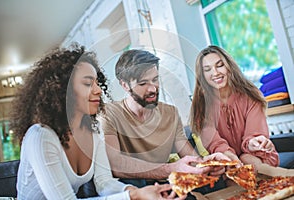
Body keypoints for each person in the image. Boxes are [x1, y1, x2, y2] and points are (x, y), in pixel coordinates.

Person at [10, 45, 181, 200]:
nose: (98, 90)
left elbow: (105, 183)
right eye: (87, 83)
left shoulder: (94, 130)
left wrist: (141, 192)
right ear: (61, 90)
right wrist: (134, 196)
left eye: (97, 83)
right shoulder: (40, 136)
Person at [99, 49, 230, 191]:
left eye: (155, 80)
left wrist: (206, 165)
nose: (153, 89)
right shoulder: (109, 113)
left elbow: (190, 157)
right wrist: (169, 168)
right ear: (125, 85)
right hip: (134, 188)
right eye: (143, 84)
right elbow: (115, 164)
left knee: (215, 183)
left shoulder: (170, 113)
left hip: (165, 183)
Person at [189, 45, 279, 170]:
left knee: (247, 160)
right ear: (202, 75)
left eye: (220, 65)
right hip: (226, 159)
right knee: (231, 170)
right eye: (207, 69)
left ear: (229, 67)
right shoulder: (201, 105)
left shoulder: (250, 95)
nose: (215, 73)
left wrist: (254, 143)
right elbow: (214, 143)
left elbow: (254, 134)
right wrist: (229, 156)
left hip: (258, 156)